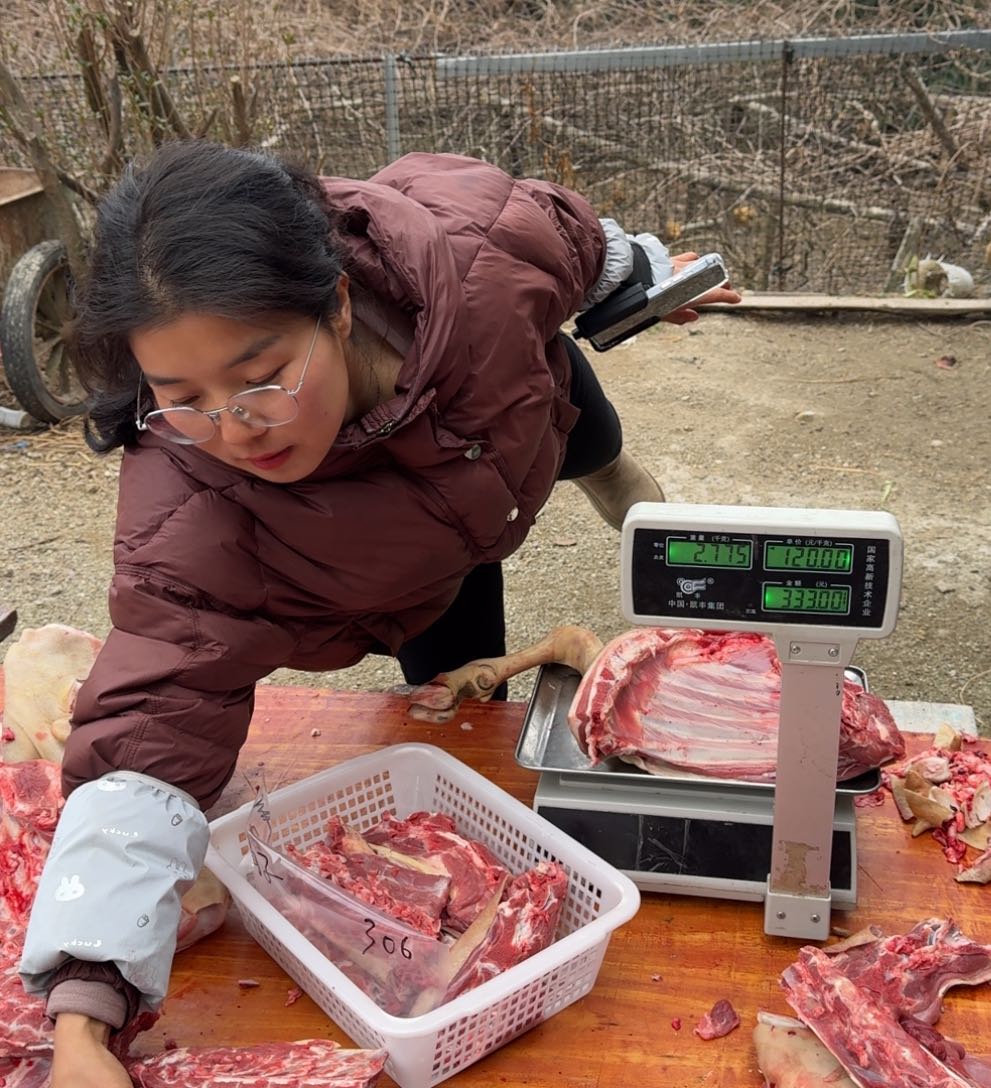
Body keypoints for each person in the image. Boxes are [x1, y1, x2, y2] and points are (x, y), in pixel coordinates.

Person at [17, 139, 739, 1084]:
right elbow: (156, 714)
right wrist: (84, 1012)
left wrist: (649, 273)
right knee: (458, 707)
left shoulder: (475, 253)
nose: (235, 428)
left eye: (261, 375)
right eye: (182, 397)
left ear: (341, 303)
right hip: (409, 561)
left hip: (512, 418)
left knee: (606, 463)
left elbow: (572, 240)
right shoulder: (194, 503)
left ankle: (632, 506)